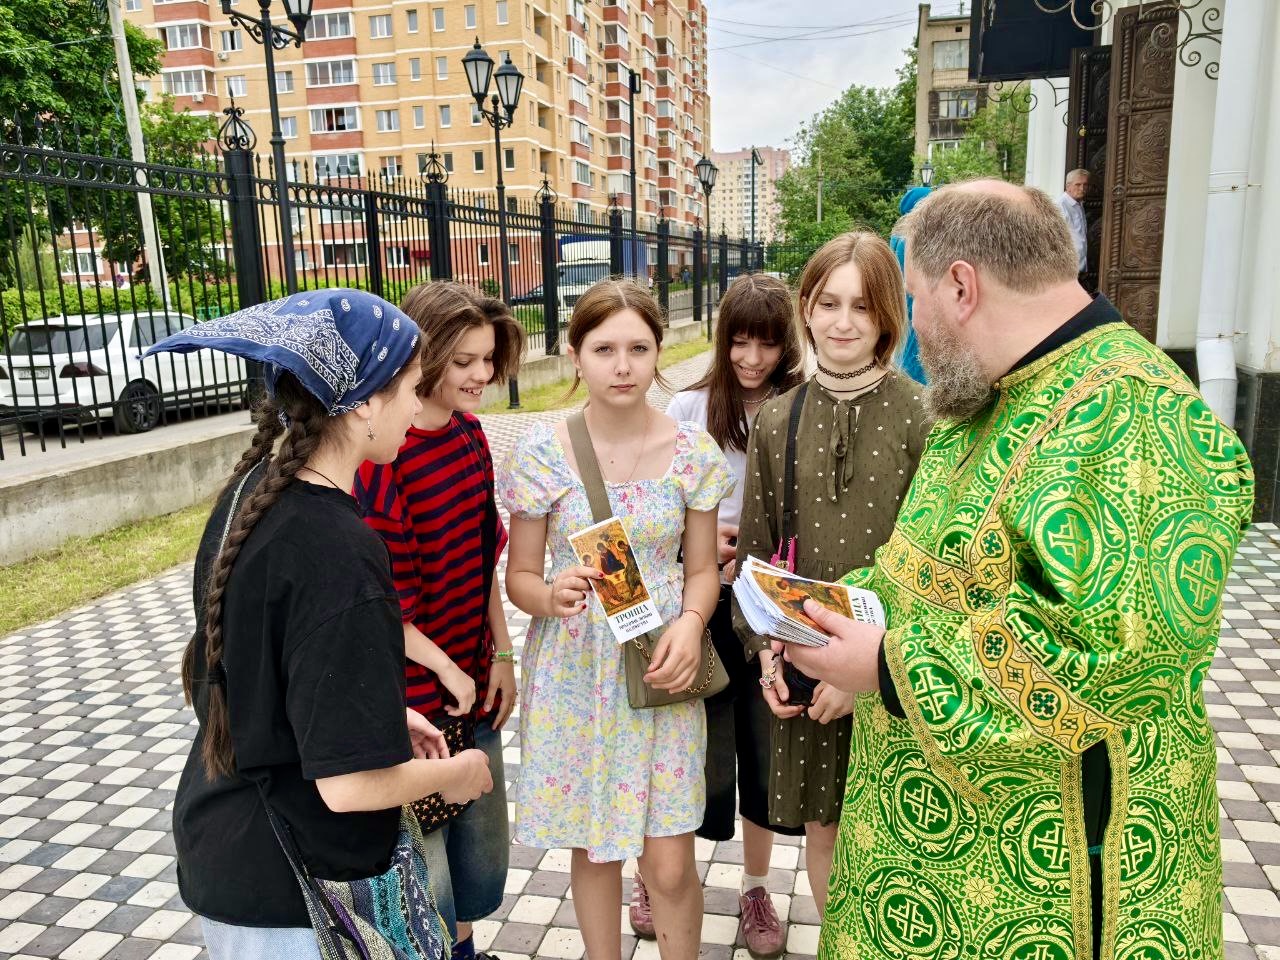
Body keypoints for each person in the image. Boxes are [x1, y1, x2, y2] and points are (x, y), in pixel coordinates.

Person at [781, 180, 1254, 960]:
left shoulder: (1132, 414)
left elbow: (1112, 659)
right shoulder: (990, 392)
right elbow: (926, 567)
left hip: (1053, 883)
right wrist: (822, 611)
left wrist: (888, 669)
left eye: (915, 298)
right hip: (937, 852)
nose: (914, 326)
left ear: (962, 287)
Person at [159, 290, 494, 960]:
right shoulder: (341, 551)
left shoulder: (253, 496)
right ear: (364, 402)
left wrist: (381, 716)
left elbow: (274, 671)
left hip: (229, 858)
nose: (416, 407)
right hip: (298, 895)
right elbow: (349, 788)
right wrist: (455, 775)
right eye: (410, 387)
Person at [500, 278, 734, 960]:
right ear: (575, 355)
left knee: (669, 863)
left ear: (660, 352)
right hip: (576, 674)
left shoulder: (692, 453)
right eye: (604, 349)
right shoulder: (542, 454)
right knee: (594, 847)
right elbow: (519, 577)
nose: (622, 366)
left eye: (638, 348)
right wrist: (550, 595)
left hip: (660, 664)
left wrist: (691, 623)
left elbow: (702, 570)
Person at [732, 232, 929, 921]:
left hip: (901, 674)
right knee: (827, 830)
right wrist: (767, 658)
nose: (843, 322)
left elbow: (940, 564)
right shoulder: (779, 417)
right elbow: (757, 560)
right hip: (809, 673)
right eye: (828, 303)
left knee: (900, 844)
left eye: (862, 306)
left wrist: (867, 675)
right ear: (807, 311)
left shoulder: (925, 416)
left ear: (889, 315)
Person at [353, 281, 524, 960]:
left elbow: (484, 559)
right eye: (464, 361)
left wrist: (501, 655)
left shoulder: (472, 435)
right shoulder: (382, 461)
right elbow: (381, 608)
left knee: (478, 863)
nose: (482, 374)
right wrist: (450, 670)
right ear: (423, 359)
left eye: (489, 359)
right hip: (414, 706)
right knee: (429, 877)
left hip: (473, 687)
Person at [660, 273, 804, 957]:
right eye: (740, 342)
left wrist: (753, 548)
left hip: (764, 608)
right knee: (686, 750)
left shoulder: (797, 405)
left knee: (761, 750)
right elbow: (656, 503)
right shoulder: (689, 408)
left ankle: (755, 888)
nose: (751, 359)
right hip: (696, 603)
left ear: (786, 345)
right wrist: (696, 543)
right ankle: (660, 879)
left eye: (766, 344)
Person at [889, 184, 932, 385]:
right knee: (918, 341)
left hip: (901, 297)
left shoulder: (898, 234)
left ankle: (904, 377)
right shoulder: (917, 236)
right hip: (916, 296)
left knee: (906, 340)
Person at [1058, 167, 1089, 275]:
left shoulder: (1079, 204)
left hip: (1078, 268)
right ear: (1068, 186)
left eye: (1085, 185)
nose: (1082, 188)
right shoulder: (1060, 206)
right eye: (1078, 185)